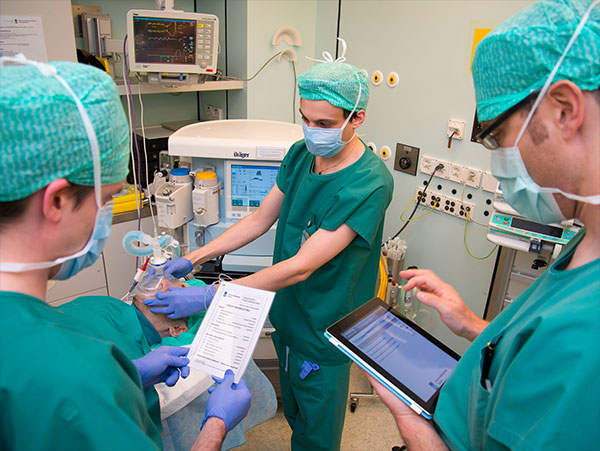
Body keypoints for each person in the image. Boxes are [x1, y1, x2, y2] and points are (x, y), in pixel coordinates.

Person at [368, 1, 600, 449]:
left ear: (565, 110)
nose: (498, 162)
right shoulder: (584, 243)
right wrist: (474, 325)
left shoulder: (587, 334)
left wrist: (411, 423)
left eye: (497, 138)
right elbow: (533, 360)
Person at [144, 40, 394, 450]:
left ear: (357, 118)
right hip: (290, 312)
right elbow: (260, 219)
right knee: (294, 413)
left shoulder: (369, 183)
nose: (312, 131)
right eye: (305, 119)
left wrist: (210, 296)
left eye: (325, 123)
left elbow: (301, 266)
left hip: (326, 326)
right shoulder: (300, 155)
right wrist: (193, 258)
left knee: (316, 433)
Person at [0, 56, 250, 450]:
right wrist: (217, 423)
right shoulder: (75, 375)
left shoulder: (53, 350)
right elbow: (66, 392)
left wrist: (128, 374)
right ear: (57, 202)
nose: (104, 215)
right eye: (107, 199)